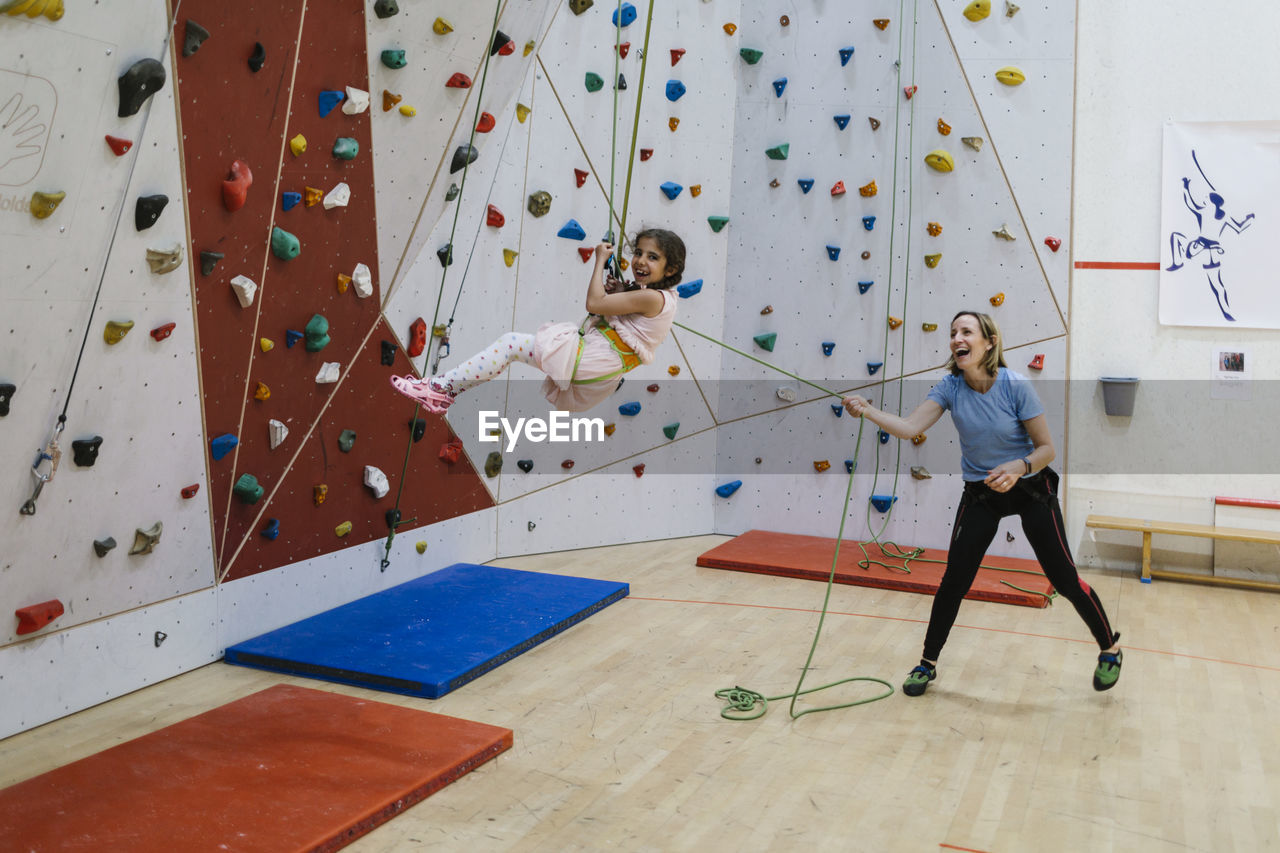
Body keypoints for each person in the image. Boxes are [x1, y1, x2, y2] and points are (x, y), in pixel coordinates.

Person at [842, 310, 1122, 696]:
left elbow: (1047, 450)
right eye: (953, 332)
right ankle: (927, 663)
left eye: (966, 331)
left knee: (1064, 580)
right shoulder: (949, 388)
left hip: (1029, 488)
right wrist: (868, 411)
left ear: (989, 342)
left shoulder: (1015, 385)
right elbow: (910, 428)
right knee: (953, 581)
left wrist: (1019, 465)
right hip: (982, 493)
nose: (957, 338)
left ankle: (1110, 648)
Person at [391, 228, 685, 413]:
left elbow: (594, 303)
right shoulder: (659, 298)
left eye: (652, 257)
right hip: (604, 363)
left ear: (670, 268)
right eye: (638, 253)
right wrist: (620, 291)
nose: (640, 261)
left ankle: (441, 389)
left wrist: (598, 261)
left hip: (597, 358)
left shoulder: (653, 299)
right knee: (512, 348)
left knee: (510, 345)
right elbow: (624, 315)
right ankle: (444, 389)